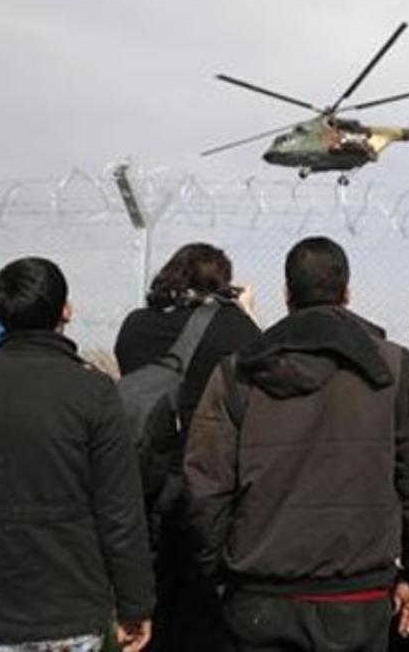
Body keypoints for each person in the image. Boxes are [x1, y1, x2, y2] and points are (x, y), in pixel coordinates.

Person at [184, 236, 409, 651]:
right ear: (347, 293)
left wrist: (216, 569)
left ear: (287, 294)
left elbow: (206, 487)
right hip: (357, 592)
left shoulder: (238, 375)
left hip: (261, 591)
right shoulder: (393, 369)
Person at [0, 257, 154, 652]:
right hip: (64, 611)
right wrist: (134, 603)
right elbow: (119, 512)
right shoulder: (92, 393)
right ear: (65, 311)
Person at [114, 243, 261, 651]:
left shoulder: (135, 327)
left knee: (153, 604)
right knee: (202, 614)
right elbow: (260, 374)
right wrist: (245, 313)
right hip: (208, 480)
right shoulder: (234, 329)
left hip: (145, 476)